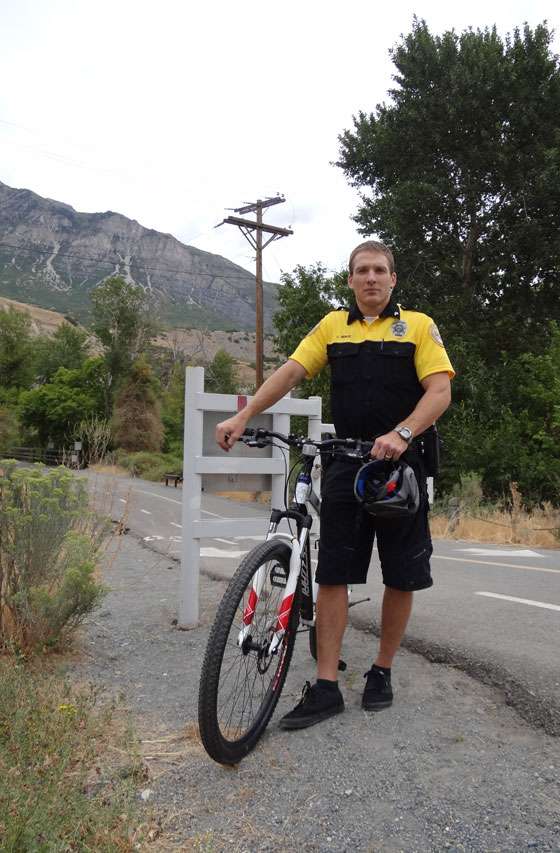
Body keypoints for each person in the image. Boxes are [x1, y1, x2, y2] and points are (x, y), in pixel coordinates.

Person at [215, 240, 454, 729]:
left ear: (392, 279)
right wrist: (245, 414)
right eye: (361, 271)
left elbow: (440, 391)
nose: (371, 278)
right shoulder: (332, 325)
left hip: (400, 469)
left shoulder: (420, 327)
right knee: (332, 574)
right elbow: (292, 371)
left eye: (379, 270)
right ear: (350, 280)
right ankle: (325, 686)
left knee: (401, 575)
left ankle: (381, 670)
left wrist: (402, 433)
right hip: (345, 461)